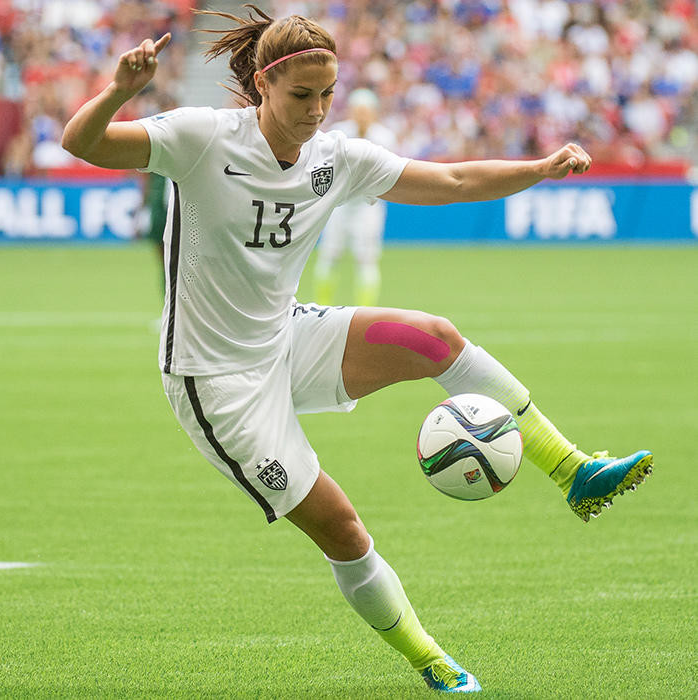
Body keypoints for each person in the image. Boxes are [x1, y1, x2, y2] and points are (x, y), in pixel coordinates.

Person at [61, 6, 653, 694]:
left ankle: (572, 470)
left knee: (431, 336)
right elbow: (86, 144)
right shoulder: (200, 139)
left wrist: (540, 168)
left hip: (286, 337)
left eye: (327, 96)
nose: (316, 112)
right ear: (261, 85)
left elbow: (454, 182)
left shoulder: (334, 157)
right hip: (217, 382)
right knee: (343, 530)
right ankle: (430, 659)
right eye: (300, 97)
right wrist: (117, 92)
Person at [313, 88, 397, 306]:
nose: (361, 115)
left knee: (367, 261)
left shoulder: (385, 137)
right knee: (329, 257)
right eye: (357, 110)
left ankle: (366, 311)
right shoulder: (340, 133)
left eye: (365, 110)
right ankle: (322, 305)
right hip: (339, 206)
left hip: (368, 207)